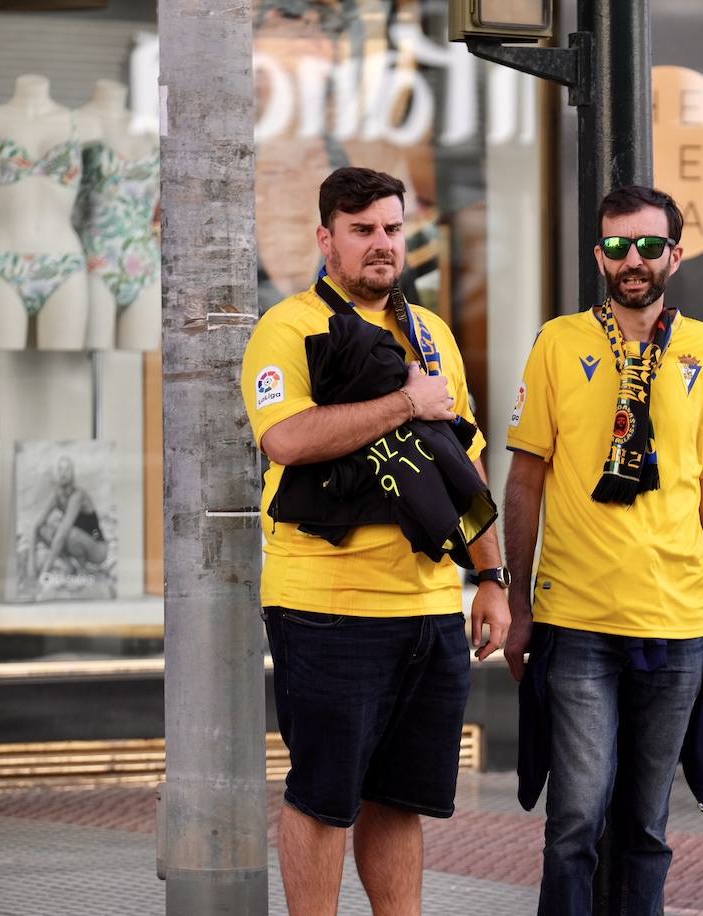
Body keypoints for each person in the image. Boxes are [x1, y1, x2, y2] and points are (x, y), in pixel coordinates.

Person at [238, 167, 510, 915]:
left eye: (391, 229)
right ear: (326, 239)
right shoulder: (287, 327)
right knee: (324, 798)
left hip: (427, 607)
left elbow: (467, 461)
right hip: (326, 606)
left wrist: (492, 578)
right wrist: (404, 401)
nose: (381, 245)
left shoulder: (433, 335)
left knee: (400, 800)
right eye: (362, 231)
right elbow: (287, 438)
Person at [502, 185, 703, 915]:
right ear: (598, 255)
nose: (631, 260)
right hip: (577, 621)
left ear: (676, 252)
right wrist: (519, 604)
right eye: (615, 246)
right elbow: (525, 483)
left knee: (646, 825)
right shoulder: (558, 341)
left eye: (647, 245)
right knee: (574, 821)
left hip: (677, 626)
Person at [29, 454, 108, 581]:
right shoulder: (56, 497)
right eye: (60, 469)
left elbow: (64, 530)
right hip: (78, 543)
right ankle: (69, 566)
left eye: (67, 469)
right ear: (56, 473)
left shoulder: (78, 495)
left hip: (98, 549)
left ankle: (82, 568)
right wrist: (31, 565)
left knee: (66, 532)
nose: (63, 473)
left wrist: (45, 571)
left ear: (72, 473)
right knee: (43, 529)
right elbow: (36, 527)